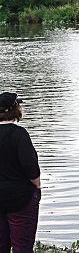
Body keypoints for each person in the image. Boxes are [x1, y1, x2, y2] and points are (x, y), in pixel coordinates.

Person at [0, 92, 41, 253]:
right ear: (14, 110)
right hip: (20, 199)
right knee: (22, 246)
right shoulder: (19, 134)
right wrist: (37, 187)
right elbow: (31, 167)